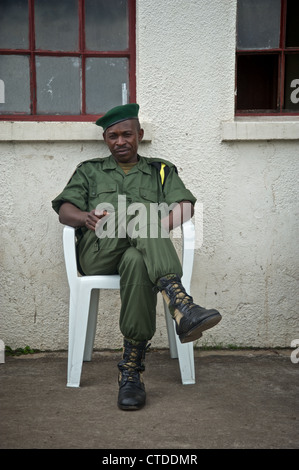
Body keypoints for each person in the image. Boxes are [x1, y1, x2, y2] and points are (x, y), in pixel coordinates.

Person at [52, 103, 221, 410]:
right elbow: (65, 210)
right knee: (141, 217)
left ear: (139, 135)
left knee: (136, 259)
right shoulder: (89, 171)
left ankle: (131, 372)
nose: (120, 141)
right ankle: (180, 302)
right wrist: (84, 217)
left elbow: (184, 205)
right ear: (106, 139)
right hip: (98, 251)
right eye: (113, 136)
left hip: (144, 256)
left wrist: (153, 230)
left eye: (127, 134)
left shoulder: (161, 169)